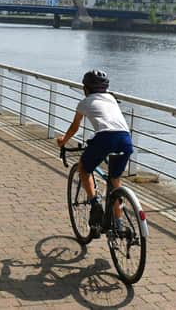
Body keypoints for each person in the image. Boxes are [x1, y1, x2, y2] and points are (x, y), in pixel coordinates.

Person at [56, 70, 133, 235]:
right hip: (125, 139)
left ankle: (95, 203)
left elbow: (75, 126)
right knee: (114, 181)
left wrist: (63, 141)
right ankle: (118, 225)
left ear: (86, 88)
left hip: (105, 138)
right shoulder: (112, 99)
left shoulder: (84, 102)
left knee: (84, 168)